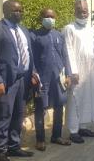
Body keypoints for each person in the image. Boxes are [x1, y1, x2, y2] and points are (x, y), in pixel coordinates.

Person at [0, 0, 39, 161]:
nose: (20, 13)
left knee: (18, 114)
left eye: (21, 10)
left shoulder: (23, 29)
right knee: (4, 115)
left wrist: (34, 72)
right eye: (16, 11)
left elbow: (28, 52)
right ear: (6, 11)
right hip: (6, 80)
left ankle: (14, 146)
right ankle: (0, 152)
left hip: (23, 79)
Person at [31, 8, 72, 151]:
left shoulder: (59, 35)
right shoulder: (34, 35)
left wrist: (68, 74)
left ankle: (56, 136)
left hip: (59, 78)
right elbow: (31, 59)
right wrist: (34, 74)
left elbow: (65, 56)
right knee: (40, 107)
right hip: (42, 78)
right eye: (47, 16)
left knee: (59, 106)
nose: (50, 19)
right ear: (41, 18)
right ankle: (40, 139)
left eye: (52, 16)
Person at [63, 0, 94, 143]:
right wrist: (73, 71)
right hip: (77, 70)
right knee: (75, 99)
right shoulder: (69, 28)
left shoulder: (91, 30)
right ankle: (73, 130)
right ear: (74, 12)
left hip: (90, 70)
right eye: (79, 10)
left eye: (85, 11)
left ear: (88, 12)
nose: (82, 13)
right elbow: (68, 50)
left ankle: (83, 127)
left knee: (87, 98)